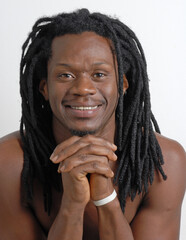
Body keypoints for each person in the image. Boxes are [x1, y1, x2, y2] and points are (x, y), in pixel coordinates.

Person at [0, 8, 185, 240]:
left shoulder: (164, 162)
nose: (83, 89)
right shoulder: (8, 163)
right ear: (44, 88)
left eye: (99, 74)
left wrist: (106, 200)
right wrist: (72, 206)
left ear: (123, 85)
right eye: (65, 75)